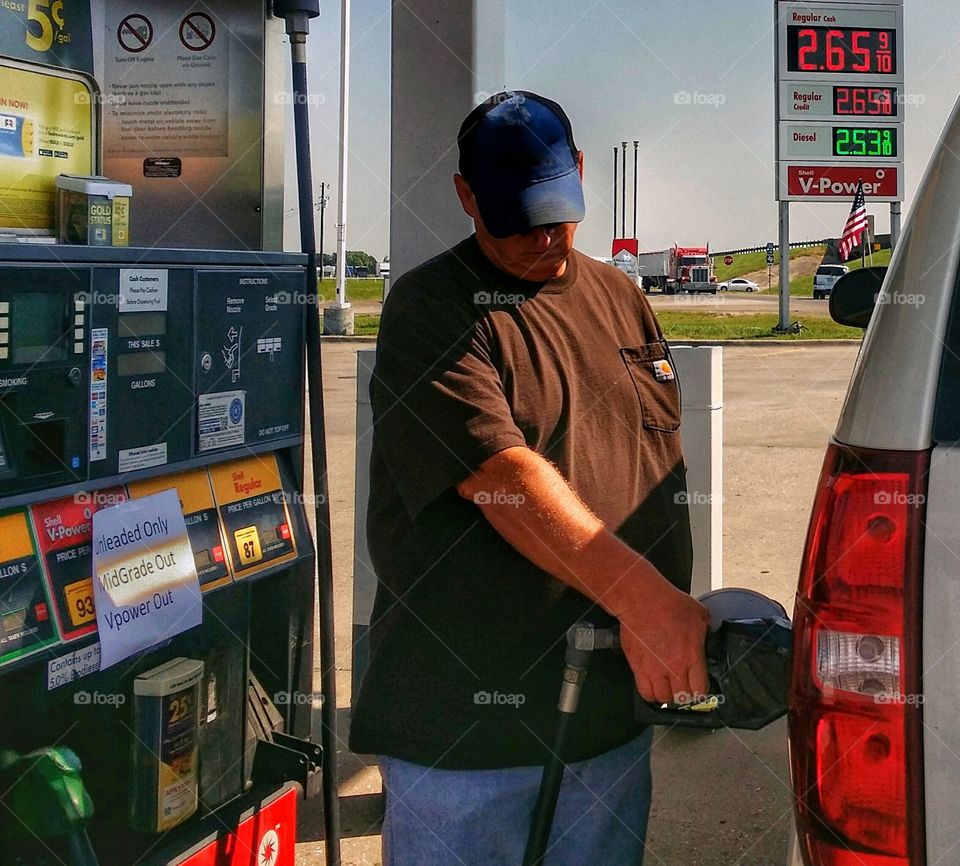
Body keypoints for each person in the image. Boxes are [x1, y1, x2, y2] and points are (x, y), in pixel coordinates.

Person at [350, 90, 709, 866]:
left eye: (557, 211)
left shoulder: (621, 298)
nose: (543, 237)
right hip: (469, 740)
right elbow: (501, 476)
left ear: (580, 172)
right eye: (516, 221)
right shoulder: (433, 307)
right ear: (467, 197)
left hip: (609, 726)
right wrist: (648, 600)